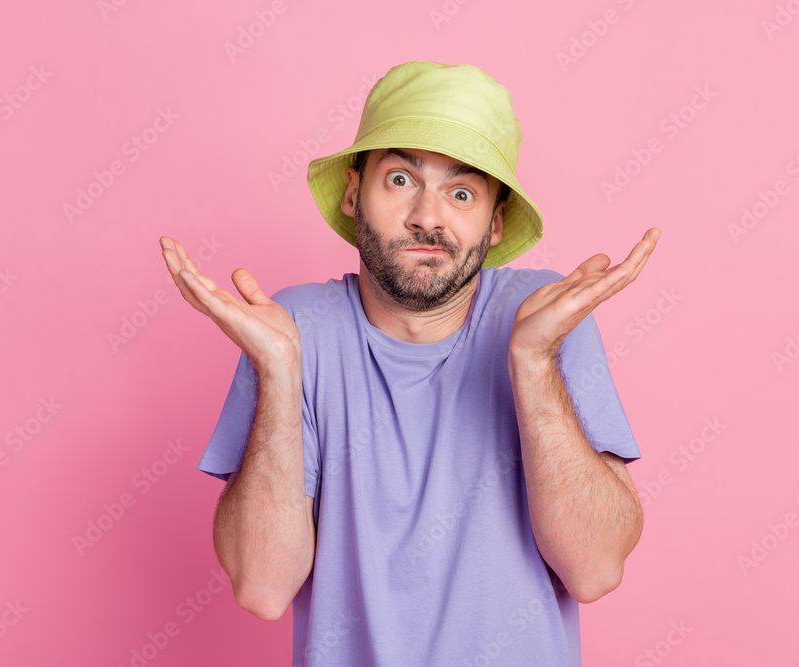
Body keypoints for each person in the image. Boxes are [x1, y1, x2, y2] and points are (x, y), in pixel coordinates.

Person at [160, 60, 661, 666]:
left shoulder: (542, 318)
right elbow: (264, 588)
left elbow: (596, 569)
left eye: (462, 193)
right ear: (354, 193)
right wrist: (279, 370)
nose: (429, 215)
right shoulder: (294, 329)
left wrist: (533, 361)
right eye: (401, 179)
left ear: (495, 222)